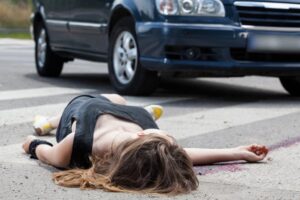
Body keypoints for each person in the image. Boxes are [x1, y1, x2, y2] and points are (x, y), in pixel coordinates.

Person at [22, 94, 268, 195]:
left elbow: (48, 155)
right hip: (129, 114)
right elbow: (182, 155)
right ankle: (144, 111)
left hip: (80, 111)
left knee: (104, 98)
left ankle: (47, 123)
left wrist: (32, 144)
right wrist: (236, 153)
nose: (174, 141)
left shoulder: (81, 143)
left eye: (166, 138)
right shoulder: (148, 148)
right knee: (118, 98)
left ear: (141, 138)